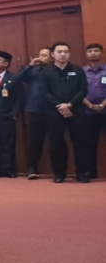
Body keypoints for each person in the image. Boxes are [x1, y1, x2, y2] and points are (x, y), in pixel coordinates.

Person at [41, 42, 88, 183]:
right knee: (57, 143)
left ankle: (81, 173)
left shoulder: (78, 70)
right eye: (59, 52)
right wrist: (60, 106)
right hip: (54, 112)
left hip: (76, 111)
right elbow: (44, 92)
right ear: (53, 54)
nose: (63, 54)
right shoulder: (46, 72)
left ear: (69, 54)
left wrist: (69, 105)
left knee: (79, 143)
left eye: (65, 52)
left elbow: (83, 90)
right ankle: (59, 174)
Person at [14, 48, 51, 179]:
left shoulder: (55, 70)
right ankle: (32, 168)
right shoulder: (34, 70)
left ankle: (58, 170)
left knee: (56, 140)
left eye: (44, 55)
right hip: (36, 109)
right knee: (35, 141)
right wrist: (30, 66)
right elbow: (17, 79)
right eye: (40, 55)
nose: (41, 57)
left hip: (53, 109)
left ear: (52, 57)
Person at [77, 43, 106, 181]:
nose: (93, 53)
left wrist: (101, 105)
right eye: (90, 51)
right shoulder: (81, 72)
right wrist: (90, 105)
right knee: (88, 144)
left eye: (96, 51)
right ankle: (90, 172)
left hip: (105, 111)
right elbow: (77, 91)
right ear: (86, 54)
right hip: (87, 112)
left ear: (101, 53)